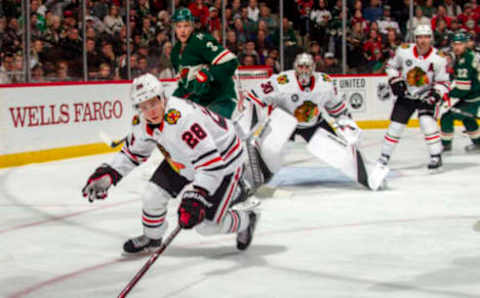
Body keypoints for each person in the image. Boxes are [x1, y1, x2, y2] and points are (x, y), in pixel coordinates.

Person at [81, 73, 259, 254]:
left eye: (153, 102)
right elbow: (133, 153)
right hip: (183, 159)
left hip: (225, 161)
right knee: (152, 195)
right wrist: (110, 174)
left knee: (207, 227)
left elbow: (211, 164)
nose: (151, 110)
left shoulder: (183, 118)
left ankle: (246, 219)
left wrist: (197, 195)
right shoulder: (142, 122)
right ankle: (152, 237)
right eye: (144, 106)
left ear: (162, 97)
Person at [243, 53, 386, 190]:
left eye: (307, 67)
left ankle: (370, 176)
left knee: (340, 151)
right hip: (285, 121)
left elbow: (338, 110)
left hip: (314, 124)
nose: (304, 70)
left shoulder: (325, 83)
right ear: (295, 67)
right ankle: (252, 176)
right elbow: (255, 98)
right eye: (301, 67)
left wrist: (348, 127)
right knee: (269, 149)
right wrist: (249, 119)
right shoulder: (282, 81)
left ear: (313, 68)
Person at [378, 24, 450, 172]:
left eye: (426, 37)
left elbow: (444, 82)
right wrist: (395, 81)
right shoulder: (404, 51)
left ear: (431, 39)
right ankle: (384, 156)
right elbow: (390, 67)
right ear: (415, 38)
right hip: (407, 95)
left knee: (426, 122)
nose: (423, 40)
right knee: (396, 126)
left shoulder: (439, 58)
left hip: (426, 95)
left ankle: (436, 155)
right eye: (420, 37)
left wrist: (435, 94)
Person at [170, 8, 239, 119]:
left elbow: (231, 63)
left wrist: (209, 75)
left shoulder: (201, 41)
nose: (182, 31)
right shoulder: (175, 52)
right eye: (179, 26)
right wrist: (172, 103)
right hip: (200, 106)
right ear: (174, 28)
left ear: (192, 26)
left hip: (221, 99)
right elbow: (184, 86)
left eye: (186, 26)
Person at [440, 32, 480, 153]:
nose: (457, 47)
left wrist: (446, 96)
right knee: (467, 118)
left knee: (446, 117)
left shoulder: (466, 60)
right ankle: (478, 143)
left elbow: (463, 88)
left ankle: (445, 146)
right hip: (473, 97)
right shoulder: (466, 56)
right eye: (455, 44)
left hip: (473, 99)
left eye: (460, 44)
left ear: (466, 44)